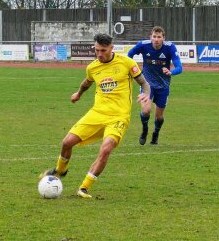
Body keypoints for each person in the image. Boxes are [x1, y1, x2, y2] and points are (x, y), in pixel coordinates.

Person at [39, 33, 151, 198]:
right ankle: (60, 170)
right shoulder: (92, 67)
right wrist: (78, 94)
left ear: (111, 48)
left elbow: (143, 82)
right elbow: (86, 82)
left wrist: (146, 95)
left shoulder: (126, 63)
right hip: (97, 113)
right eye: (97, 50)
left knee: (105, 149)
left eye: (103, 50)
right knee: (67, 142)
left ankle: (84, 188)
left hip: (118, 116)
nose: (99, 54)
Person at [128, 26, 183, 145]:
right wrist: (134, 70)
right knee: (146, 110)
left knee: (159, 116)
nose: (156, 39)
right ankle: (144, 130)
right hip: (147, 84)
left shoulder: (170, 47)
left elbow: (179, 68)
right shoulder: (143, 45)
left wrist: (171, 72)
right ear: (150, 37)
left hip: (163, 85)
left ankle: (156, 133)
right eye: (154, 36)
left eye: (159, 37)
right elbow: (129, 56)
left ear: (163, 38)